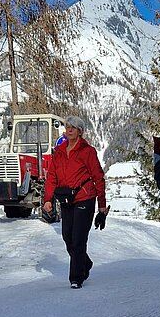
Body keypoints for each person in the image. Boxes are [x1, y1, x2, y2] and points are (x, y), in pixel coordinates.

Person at [43, 116, 108, 289]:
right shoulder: (60, 151)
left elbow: (98, 177)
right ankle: (85, 263)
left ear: (80, 131)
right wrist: (47, 199)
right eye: (68, 127)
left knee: (79, 239)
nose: (69, 129)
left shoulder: (88, 151)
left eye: (73, 127)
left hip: (85, 198)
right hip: (66, 199)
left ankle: (76, 277)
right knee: (67, 237)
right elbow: (51, 177)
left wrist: (102, 203)